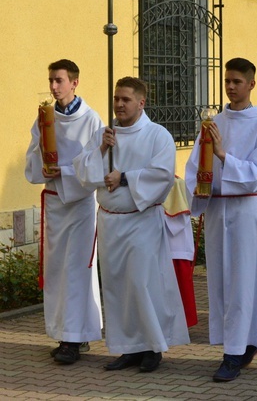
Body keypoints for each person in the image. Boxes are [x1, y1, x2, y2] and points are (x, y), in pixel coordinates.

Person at [74, 77, 189, 372]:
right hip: (111, 221)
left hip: (141, 221)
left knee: (141, 283)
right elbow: (83, 172)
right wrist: (101, 149)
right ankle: (128, 348)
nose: (119, 104)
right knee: (117, 287)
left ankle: (153, 347)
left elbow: (163, 174)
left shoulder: (157, 135)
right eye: (116, 98)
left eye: (126, 99)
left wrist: (124, 177)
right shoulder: (105, 134)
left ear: (141, 102)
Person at [184, 58, 257, 381]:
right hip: (216, 210)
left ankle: (234, 354)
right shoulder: (213, 124)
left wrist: (224, 154)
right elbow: (195, 167)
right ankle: (241, 343)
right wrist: (199, 186)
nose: (230, 86)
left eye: (237, 81)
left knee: (243, 280)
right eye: (227, 80)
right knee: (222, 282)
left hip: (244, 210)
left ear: (252, 84)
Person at [25, 59, 103, 365]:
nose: (54, 87)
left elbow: (96, 165)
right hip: (56, 202)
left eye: (59, 80)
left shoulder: (92, 120)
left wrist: (66, 171)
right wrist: (44, 164)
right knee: (57, 271)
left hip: (80, 203)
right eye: (51, 81)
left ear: (74, 83)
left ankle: (75, 337)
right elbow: (33, 154)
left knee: (77, 270)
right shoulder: (45, 117)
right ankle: (63, 334)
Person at [162, 177, 198, 329]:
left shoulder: (176, 183)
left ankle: (180, 323)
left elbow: (178, 218)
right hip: (175, 246)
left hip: (175, 246)